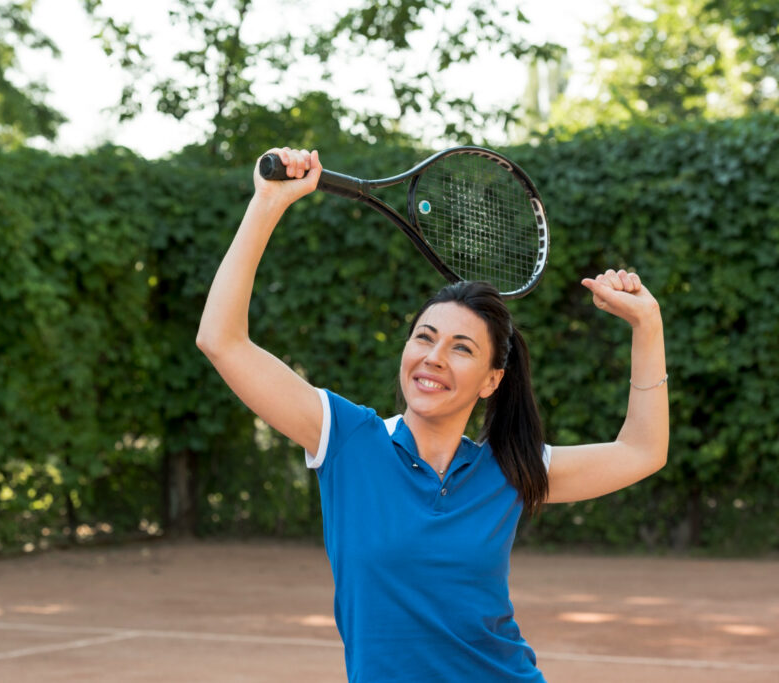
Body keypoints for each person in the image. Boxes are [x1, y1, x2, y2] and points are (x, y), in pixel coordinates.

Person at [196, 147, 669, 682]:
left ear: (493, 380)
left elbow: (642, 451)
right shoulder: (346, 439)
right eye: (424, 337)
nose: (434, 357)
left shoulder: (511, 468)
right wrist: (268, 204)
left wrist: (646, 325)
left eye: (462, 348)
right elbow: (222, 341)